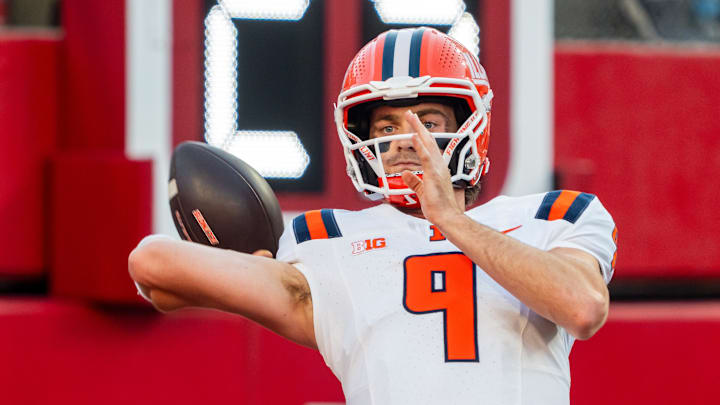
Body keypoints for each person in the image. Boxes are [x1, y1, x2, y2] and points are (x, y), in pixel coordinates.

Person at [129, 27, 617, 404]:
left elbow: (582, 307)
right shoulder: (328, 243)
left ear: (472, 127)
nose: (403, 141)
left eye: (427, 122)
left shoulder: (552, 215)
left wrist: (452, 221)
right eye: (385, 125)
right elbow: (153, 265)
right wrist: (255, 266)